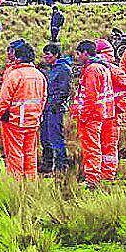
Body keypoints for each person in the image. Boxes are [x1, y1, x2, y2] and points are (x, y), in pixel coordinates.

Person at [0, 42, 46, 179]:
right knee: (30, 153)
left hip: (15, 121)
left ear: (17, 58)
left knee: (15, 153)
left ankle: (16, 182)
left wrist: (0, 115)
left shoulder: (14, 75)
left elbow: (4, 99)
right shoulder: (39, 75)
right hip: (33, 121)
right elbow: (43, 98)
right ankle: (31, 181)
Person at [71, 41, 112, 186]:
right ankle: (95, 175)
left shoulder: (92, 70)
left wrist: (83, 115)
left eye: (79, 54)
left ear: (85, 53)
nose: (77, 57)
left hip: (91, 115)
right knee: (94, 145)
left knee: (91, 146)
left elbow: (90, 96)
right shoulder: (102, 67)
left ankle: (92, 179)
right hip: (98, 113)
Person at [95, 39, 126, 181]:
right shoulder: (96, 69)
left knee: (109, 145)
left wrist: (119, 107)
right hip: (100, 114)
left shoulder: (112, 70)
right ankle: (99, 172)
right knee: (100, 144)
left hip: (111, 115)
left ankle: (108, 175)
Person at [39, 44, 72, 175]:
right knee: (45, 137)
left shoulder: (63, 69)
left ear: (56, 55)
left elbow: (65, 90)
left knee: (55, 137)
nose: (45, 57)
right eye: (45, 54)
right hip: (47, 107)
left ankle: (61, 166)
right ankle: (47, 164)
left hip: (55, 109)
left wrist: (56, 104)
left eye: (48, 54)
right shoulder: (52, 69)